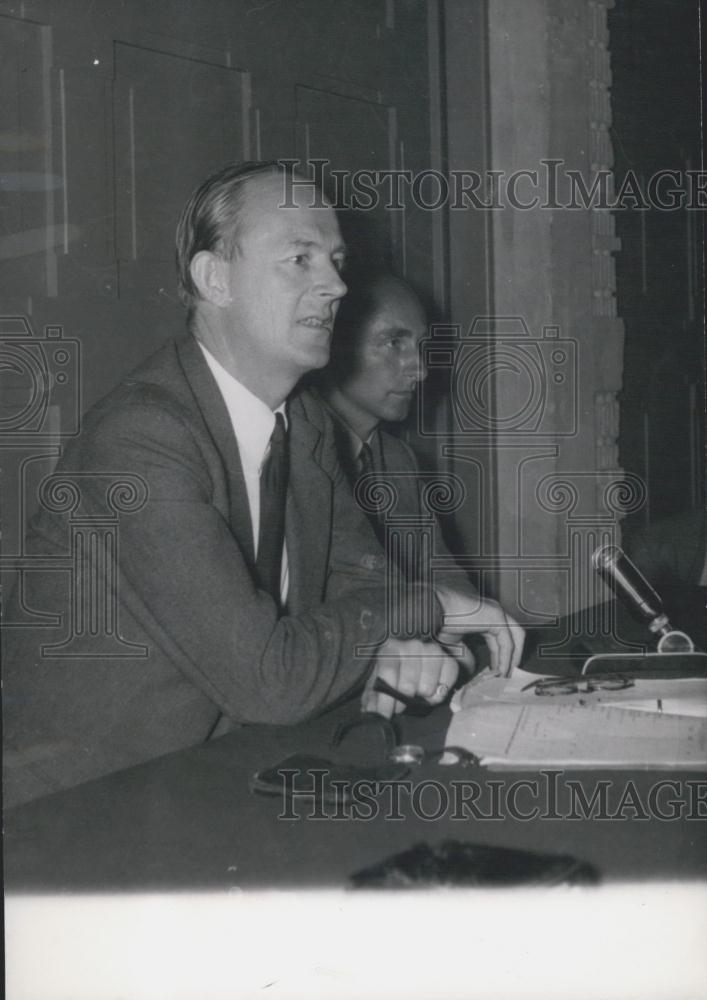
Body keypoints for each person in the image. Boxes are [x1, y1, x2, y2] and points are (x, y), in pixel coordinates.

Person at [3, 162, 522, 805]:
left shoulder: (303, 422)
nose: (336, 285)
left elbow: (370, 589)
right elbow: (269, 681)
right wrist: (428, 607)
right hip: (75, 809)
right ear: (215, 279)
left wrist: (406, 638)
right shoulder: (139, 439)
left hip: (216, 777)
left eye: (336, 260)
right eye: (300, 259)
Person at [316, 270, 522, 678]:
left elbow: (442, 571)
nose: (421, 370)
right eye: (394, 342)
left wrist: (453, 634)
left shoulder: (398, 460)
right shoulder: (298, 457)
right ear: (335, 345)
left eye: (421, 346)